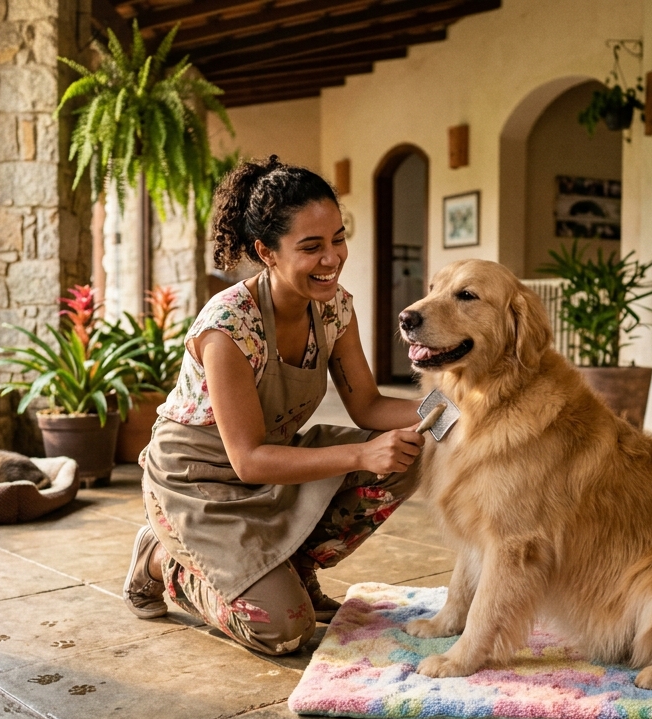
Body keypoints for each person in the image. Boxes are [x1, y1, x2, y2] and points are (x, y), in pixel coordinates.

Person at [122, 156, 428, 655]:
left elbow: (368, 407)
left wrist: (458, 410)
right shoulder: (228, 327)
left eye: (337, 238)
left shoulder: (334, 307)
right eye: (311, 247)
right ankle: (163, 562)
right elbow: (246, 459)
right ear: (266, 252)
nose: (332, 258)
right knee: (283, 630)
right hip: (200, 484)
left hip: (271, 470)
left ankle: (291, 567)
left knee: (411, 455)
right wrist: (357, 456)